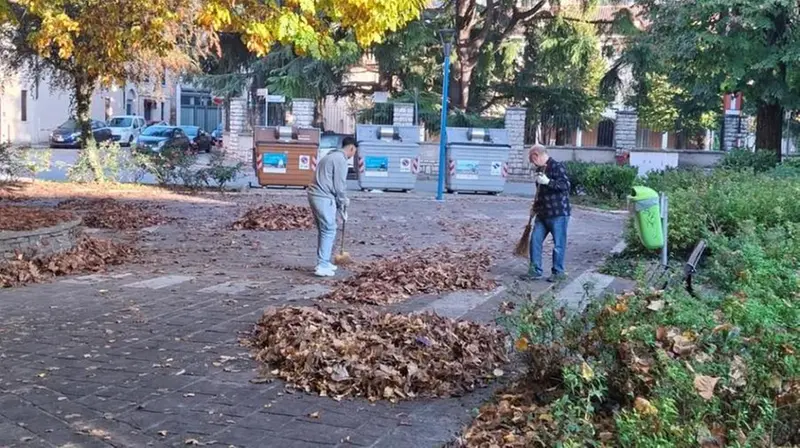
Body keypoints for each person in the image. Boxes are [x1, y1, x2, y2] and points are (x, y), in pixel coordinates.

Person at [307, 136, 357, 277]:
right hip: (323, 196)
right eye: (354, 152)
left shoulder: (329, 156)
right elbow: (339, 185)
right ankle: (322, 264)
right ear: (351, 148)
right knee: (329, 229)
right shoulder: (340, 160)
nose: (353, 155)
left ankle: (325, 261)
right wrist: (343, 202)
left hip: (315, 194)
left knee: (324, 229)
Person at [524, 144, 571, 282]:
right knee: (535, 241)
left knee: (558, 245)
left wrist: (548, 181)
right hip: (542, 214)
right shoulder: (540, 169)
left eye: (532, 160)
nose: (532, 163)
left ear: (536, 155)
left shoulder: (557, 167)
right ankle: (535, 270)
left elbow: (565, 186)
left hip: (558, 214)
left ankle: (558, 272)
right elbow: (540, 193)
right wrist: (535, 208)